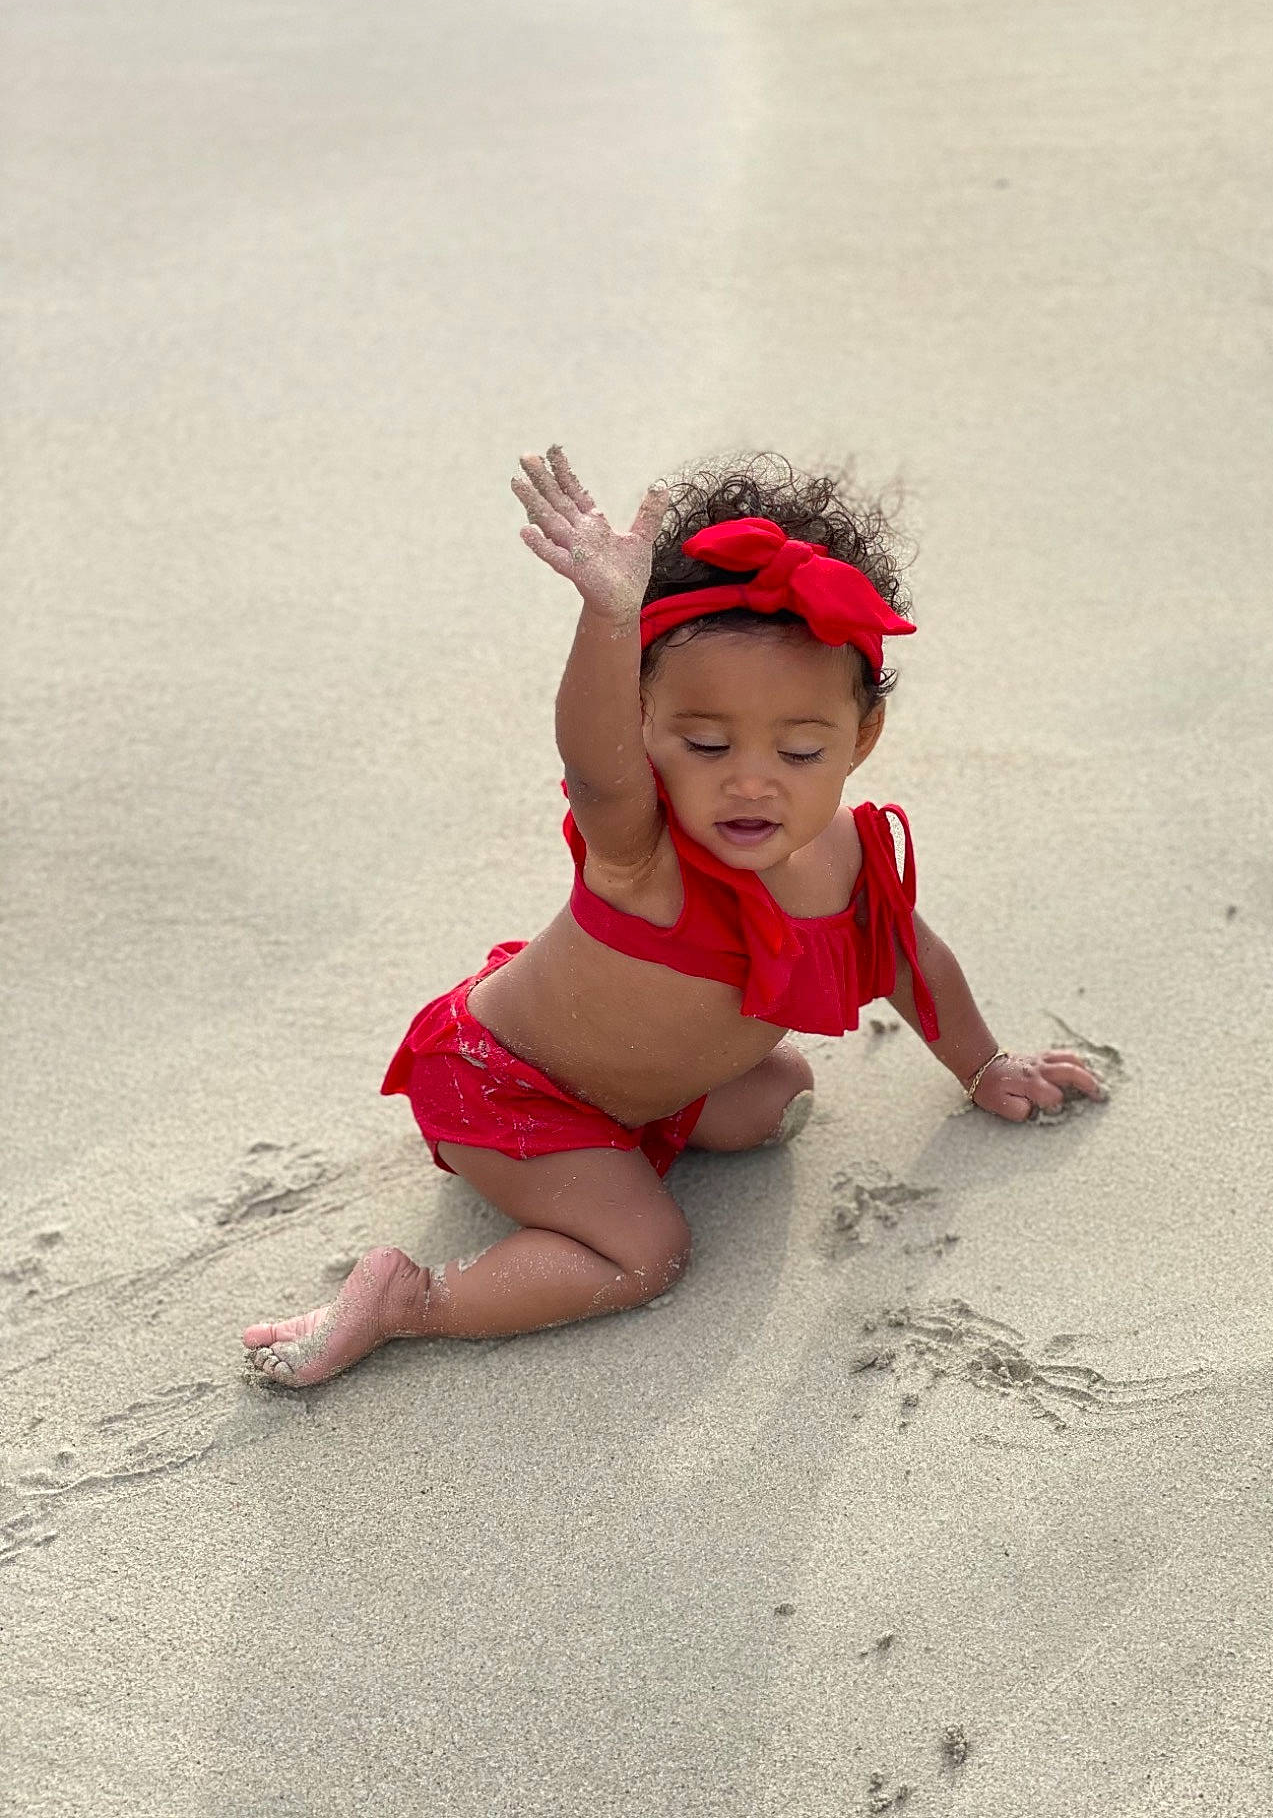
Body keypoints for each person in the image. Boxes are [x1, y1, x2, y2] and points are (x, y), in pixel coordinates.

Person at [243, 446, 1107, 1386]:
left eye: (801, 749)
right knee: (647, 1251)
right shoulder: (641, 852)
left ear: (861, 739)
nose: (751, 779)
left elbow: (911, 961)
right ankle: (413, 1297)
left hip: (637, 1088)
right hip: (513, 1090)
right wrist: (610, 621)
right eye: (704, 742)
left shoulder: (851, 852)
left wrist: (983, 1064)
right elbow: (593, 762)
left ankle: (637, 1134)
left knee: (775, 1094)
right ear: (648, 727)